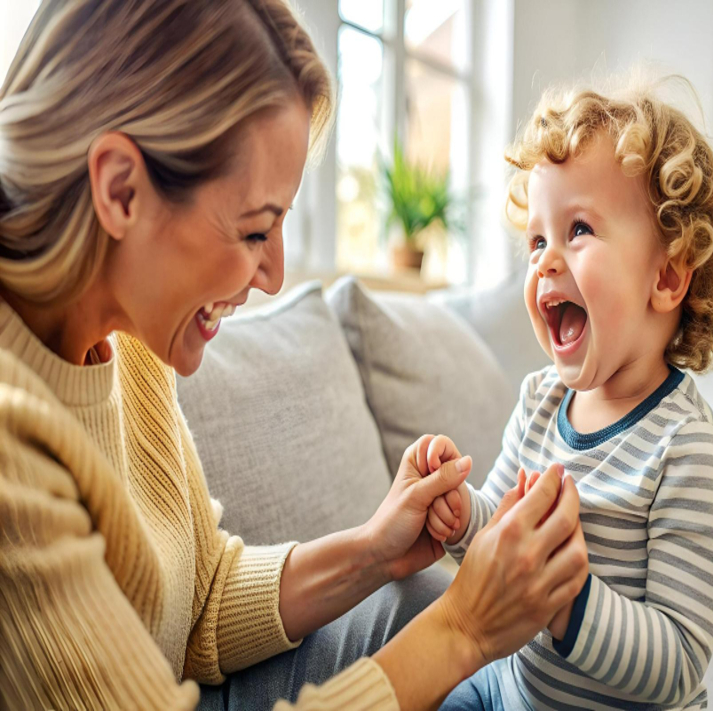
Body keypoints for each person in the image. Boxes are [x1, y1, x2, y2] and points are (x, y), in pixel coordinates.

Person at [0, 1, 588, 709]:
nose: (275, 275)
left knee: (413, 599)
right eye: (256, 230)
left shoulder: (133, 346)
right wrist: (465, 630)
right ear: (121, 189)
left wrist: (372, 550)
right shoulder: (12, 437)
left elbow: (202, 603)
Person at [423, 76, 713, 710]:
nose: (544, 261)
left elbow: (678, 661)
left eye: (578, 229)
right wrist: (460, 515)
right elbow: (498, 526)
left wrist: (563, 599)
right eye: (537, 240)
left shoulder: (686, 450)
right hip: (508, 692)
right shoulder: (538, 402)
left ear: (667, 277)